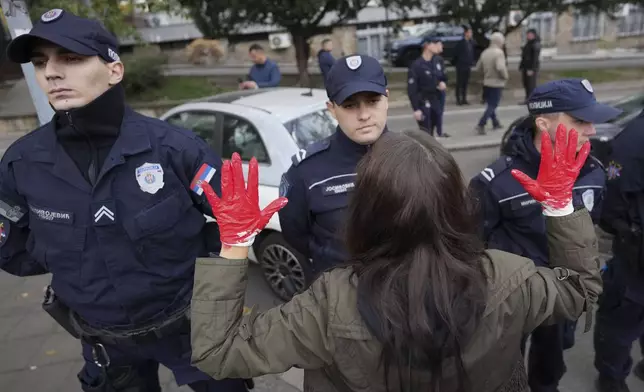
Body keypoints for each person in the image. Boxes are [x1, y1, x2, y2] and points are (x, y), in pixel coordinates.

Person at [189, 124, 602, 392]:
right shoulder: (511, 278)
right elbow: (581, 289)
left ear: (365, 211)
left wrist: (236, 241)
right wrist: (560, 206)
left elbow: (217, 351)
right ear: (458, 205)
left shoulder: (330, 303)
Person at [2, 9, 249, 392]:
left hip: (191, 329)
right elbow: (11, 248)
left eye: (71, 58)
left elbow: (235, 225)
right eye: (40, 62)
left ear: (114, 70)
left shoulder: (175, 150)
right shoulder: (21, 164)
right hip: (104, 344)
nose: (51, 72)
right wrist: (67, 260)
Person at [469, 78, 622, 392]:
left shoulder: (591, 170)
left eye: (591, 121)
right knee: (503, 371)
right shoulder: (498, 181)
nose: (591, 130)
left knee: (549, 371)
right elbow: (470, 246)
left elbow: (594, 225)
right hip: (513, 299)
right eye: (580, 121)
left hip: (564, 291)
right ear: (542, 122)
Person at [277, 54, 389, 293]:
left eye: (372, 101)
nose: (364, 115)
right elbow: (296, 234)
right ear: (332, 109)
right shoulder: (306, 171)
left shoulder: (419, 157)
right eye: (350, 105)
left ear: (387, 99)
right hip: (342, 300)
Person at [593, 108, 644, 392]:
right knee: (621, 321)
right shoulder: (634, 139)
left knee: (624, 319)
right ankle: (611, 379)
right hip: (635, 253)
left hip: (635, 254)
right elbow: (612, 201)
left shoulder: (633, 137)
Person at [407, 36, 449, 137]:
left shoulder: (436, 61)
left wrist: (441, 83)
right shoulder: (416, 65)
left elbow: (441, 77)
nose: (438, 45)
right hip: (423, 101)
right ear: (427, 46)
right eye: (435, 43)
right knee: (426, 132)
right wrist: (416, 108)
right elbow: (412, 89)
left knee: (433, 129)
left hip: (435, 100)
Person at [474, 32, 508, 135]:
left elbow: (478, 67)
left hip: (487, 82)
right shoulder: (499, 53)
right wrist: (505, 76)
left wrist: (485, 74)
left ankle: (495, 122)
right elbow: (500, 67)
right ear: (499, 41)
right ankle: (481, 124)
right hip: (496, 83)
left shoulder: (485, 52)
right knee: (493, 105)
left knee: (490, 104)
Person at [453, 24, 475, 105]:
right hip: (461, 66)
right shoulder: (461, 43)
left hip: (467, 66)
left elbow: (471, 53)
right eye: (469, 32)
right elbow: (456, 55)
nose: (471, 34)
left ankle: (464, 98)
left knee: (465, 83)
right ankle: (458, 99)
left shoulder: (471, 43)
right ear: (466, 33)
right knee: (460, 83)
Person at [519, 29, 541, 104]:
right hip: (525, 67)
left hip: (531, 68)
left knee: (531, 85)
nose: (528, 36)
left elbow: (535, 58)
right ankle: (528, 99)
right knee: (526, 84)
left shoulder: (535, 44)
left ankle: (532, 100)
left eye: (530, 34)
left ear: (534, 35)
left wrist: (532, 69)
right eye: (527, 34)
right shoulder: (528, 43)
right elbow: (524, 56)